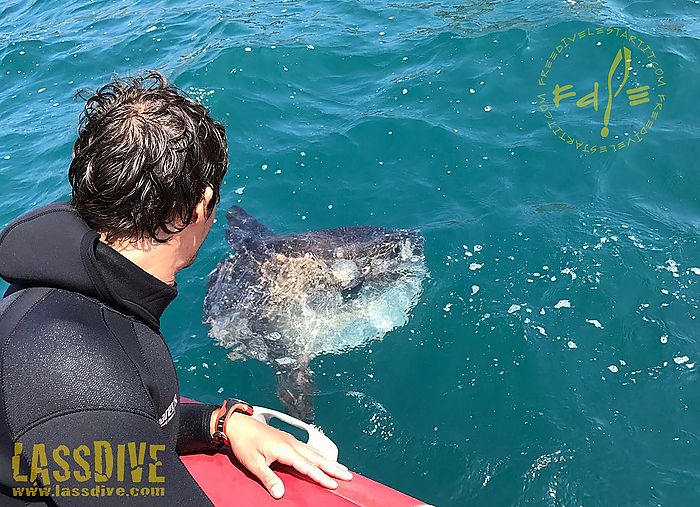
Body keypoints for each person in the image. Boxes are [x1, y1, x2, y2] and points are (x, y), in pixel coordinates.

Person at [0, 71, 352, 505]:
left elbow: (119, 428)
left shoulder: (74, 301)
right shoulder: (73, 364)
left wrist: (218, 424)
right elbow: (93, 418)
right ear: (202, 204)